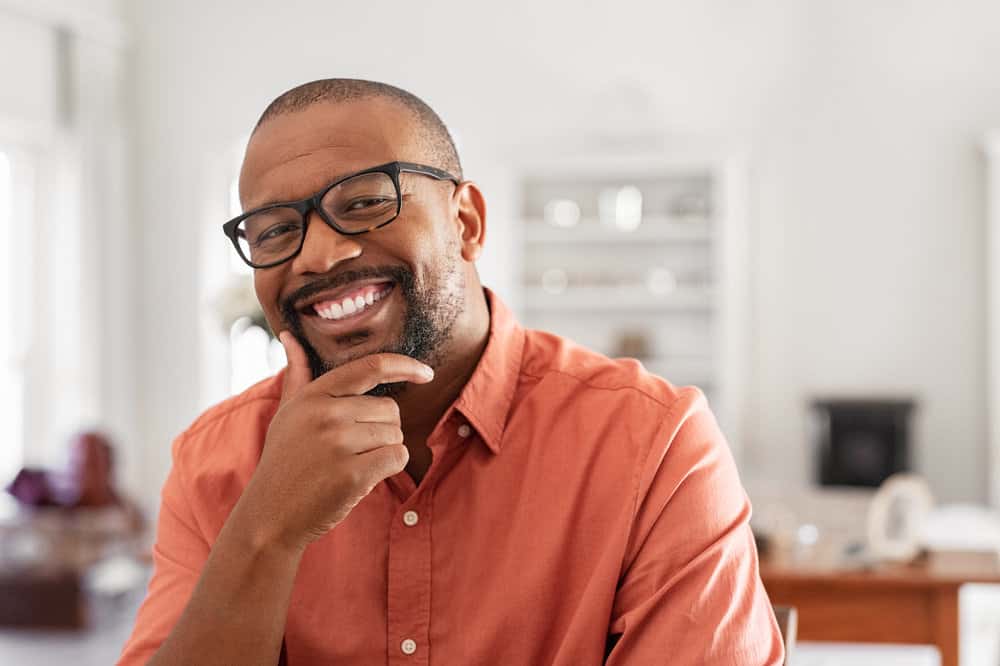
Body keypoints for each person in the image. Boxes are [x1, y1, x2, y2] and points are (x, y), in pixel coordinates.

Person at [119, 78, 784, 665]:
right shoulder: (214, 463)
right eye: (272, 232)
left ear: (465, 222)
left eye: (363, 203)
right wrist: (265, 530)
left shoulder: (655, 444)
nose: (319, 256)